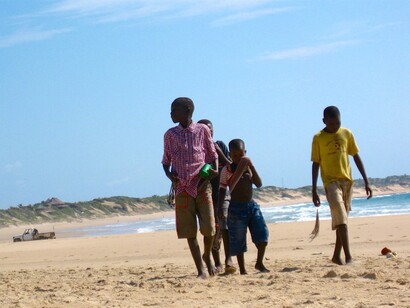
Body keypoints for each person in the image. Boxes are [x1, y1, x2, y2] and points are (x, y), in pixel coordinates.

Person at [162, 97, 219, 278]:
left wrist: (214, 170)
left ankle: (207, 254)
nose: (171, 114)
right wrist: (169, 175)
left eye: (174, 110)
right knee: (189, 231)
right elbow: (165, 161)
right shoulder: (170, 134)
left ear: (187, 110)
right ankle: (200, 269)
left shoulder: (202, 130)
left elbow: (211, 154)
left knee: (209, 229)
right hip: (182, 189)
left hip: (202, 185)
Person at [311, 106, 373, 265]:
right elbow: (315, 164)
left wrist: (366, 181)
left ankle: (336, 256)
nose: (335, 127)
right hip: (330, 183)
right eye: (331, 124)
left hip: (347, 182)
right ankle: (349, 257)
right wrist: (314, 190)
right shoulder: (318, 138)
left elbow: (356, 157)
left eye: (337, 123)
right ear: (324, 121)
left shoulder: (347, 133)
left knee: (342, 220)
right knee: (342, 219)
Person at [217, 139, 269, 275]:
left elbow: (258, 184)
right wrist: (219, 208)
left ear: (245, 153)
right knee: (239, 241)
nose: (238, 158)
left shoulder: (248, 168)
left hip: (251, 206)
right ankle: (243, 270)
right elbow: (222, 189)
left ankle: (259, 263)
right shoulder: (226, 170)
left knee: (262, 235)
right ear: (230, 155)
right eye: (234, 155)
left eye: (241, 155)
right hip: (235, 208)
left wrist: (251, 166)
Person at [197, 119, 235, 274]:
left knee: (224, 224)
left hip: (223, 192)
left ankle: (228, 260)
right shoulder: (197, 151)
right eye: (204, 129)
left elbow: (231, 166)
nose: (208, 132)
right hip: (206, 194)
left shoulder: (220, 145)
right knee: (213, 230)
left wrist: (218, 151)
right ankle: (216, 261)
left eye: (210, 129)